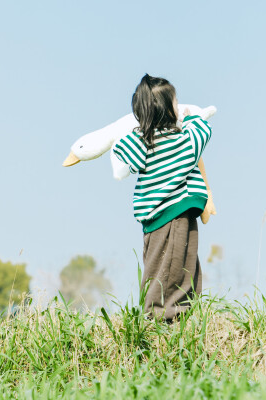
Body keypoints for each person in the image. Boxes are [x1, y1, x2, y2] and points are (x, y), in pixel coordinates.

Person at [112, 73, 213, 321]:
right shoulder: (183, 141)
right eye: (176, 103)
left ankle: (164, 317)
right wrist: (188, 114)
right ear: (169, 110)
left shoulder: (143, 142)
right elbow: (203, 128)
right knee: (177, 269)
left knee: (159, 268)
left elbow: (121, 150)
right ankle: (165, 320)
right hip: (177, 216)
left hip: (154, 221)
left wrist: (141, 128)